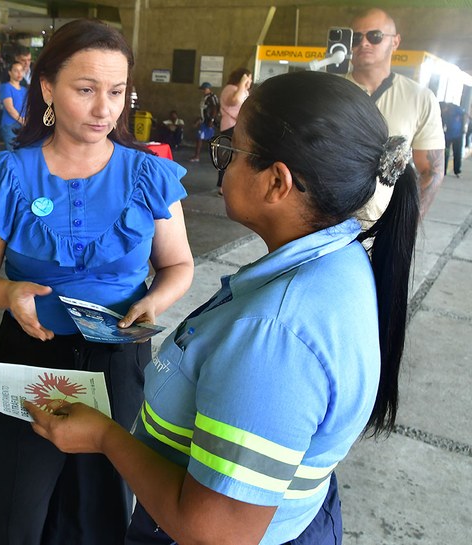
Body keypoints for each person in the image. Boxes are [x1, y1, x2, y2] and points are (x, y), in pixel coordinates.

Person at [25, 70, 421, 545]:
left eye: (232, 149)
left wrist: (106, 438)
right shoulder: (338, 257)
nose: (222, 159)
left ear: (277, 183)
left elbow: (215, 531)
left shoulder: (274, 334)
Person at [0, 18, 194, 545]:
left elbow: (179, 265)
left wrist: (154, 301)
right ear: (47, 88)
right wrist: (8, 292)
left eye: (117, 92)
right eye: (85, 90)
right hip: (29, 355)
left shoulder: (149, 174)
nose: (104, 108)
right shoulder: (8, 174)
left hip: (117, 358)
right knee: (13, 505)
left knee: (101, 503)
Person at [346, 7, 445, 218]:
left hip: (385, 225)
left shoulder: (419, 98)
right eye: (356, 37)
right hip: (327, 227)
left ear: (395, 41)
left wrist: (406, 224)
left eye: (375, 36)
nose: (364, 43)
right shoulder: (329, 91)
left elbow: (432, 171)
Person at [217, 68, 252, 193]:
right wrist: (242, 83)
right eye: (249, 78)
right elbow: (235, 101)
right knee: (227, 156)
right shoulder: (230, 89)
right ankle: (222, 186)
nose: (250, 81)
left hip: (240, 125)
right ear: (242, 77)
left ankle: (235, 184)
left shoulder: (244, 91)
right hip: (230, 126)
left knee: (238, 157)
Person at [0, 60, 27, 151]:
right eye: (16, 70)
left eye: (21, 70)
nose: (19, 73)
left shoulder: (24, 89)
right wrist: (22, 121)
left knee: (22, 152)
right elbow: (10, 108)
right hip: (10, 124)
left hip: (22, 125)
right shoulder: (6, 87)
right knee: (13, 152)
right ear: (10, 73)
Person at [189, 82, 219, 162]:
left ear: (208, 89)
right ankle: (197, 156)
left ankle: (215, 156)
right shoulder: (205, 97)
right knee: (199, 138)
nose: (203, 91)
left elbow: (215, 109)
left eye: (204, 89)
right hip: (204, 121)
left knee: (211, 140)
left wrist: (212, 120)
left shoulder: (212, 97)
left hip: (209, 122)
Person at [441, 101, 464, 177]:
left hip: (458, 135)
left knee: (457, 153)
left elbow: (463, 115)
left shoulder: (456, 108)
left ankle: (457, 170)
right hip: (448, 136)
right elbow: (442, 124)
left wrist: (463, 128)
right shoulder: (443, 114)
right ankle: (443, 170)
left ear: (446, 107)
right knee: (446, 153)